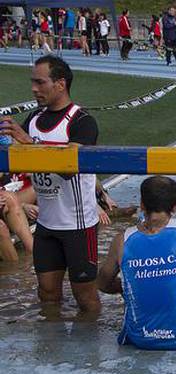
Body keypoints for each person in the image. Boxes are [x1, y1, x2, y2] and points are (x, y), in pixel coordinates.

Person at [0, 56, 102, 314]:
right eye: (32, 82)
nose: (34, 88)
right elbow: (17, 160)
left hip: (78, 225)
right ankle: (51, 351)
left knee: (86, 298)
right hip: (47, 225)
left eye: (40, 82)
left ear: (60, 84)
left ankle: (90, 350)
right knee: (46, 294)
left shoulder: (82, 121)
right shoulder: (34, 119)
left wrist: (30, 145)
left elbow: (68, 170)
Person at [96, 176, 176, 350]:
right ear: (175, 206)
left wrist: (131, 284)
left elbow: (102, 284)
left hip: (139, 337)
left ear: (142, 204)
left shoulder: (122, 240)